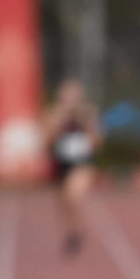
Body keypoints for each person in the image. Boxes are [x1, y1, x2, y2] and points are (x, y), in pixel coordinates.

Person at [42, 79, 102, 254]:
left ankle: (75, 233)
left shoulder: (88, 114)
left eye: (74, 96)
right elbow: (47, 140)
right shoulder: (53, 114)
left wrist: (87, 127)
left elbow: (97, 142)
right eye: (68, 96)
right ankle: (72, 230)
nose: (71, 100)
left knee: (74, 195)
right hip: (61, 164)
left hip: (82, 163)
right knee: (64, 202)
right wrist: (60, 119)